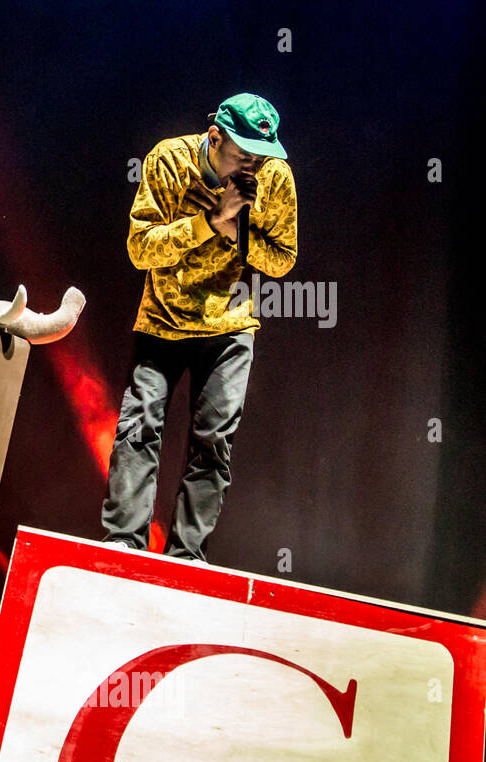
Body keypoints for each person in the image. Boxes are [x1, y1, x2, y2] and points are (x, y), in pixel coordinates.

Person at [101, 93, 298, 561]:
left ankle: (186, 556)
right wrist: (211, 221)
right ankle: (122, 547)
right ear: (214, 137)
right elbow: (140, 249)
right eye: (242, 155)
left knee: (214, 441)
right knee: (139, 426)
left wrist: (237, 232)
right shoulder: (169, 160)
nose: (252, 166)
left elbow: (283, 259)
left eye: (261, 156)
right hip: (163, 320)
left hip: (230, 324)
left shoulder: (274, 177)